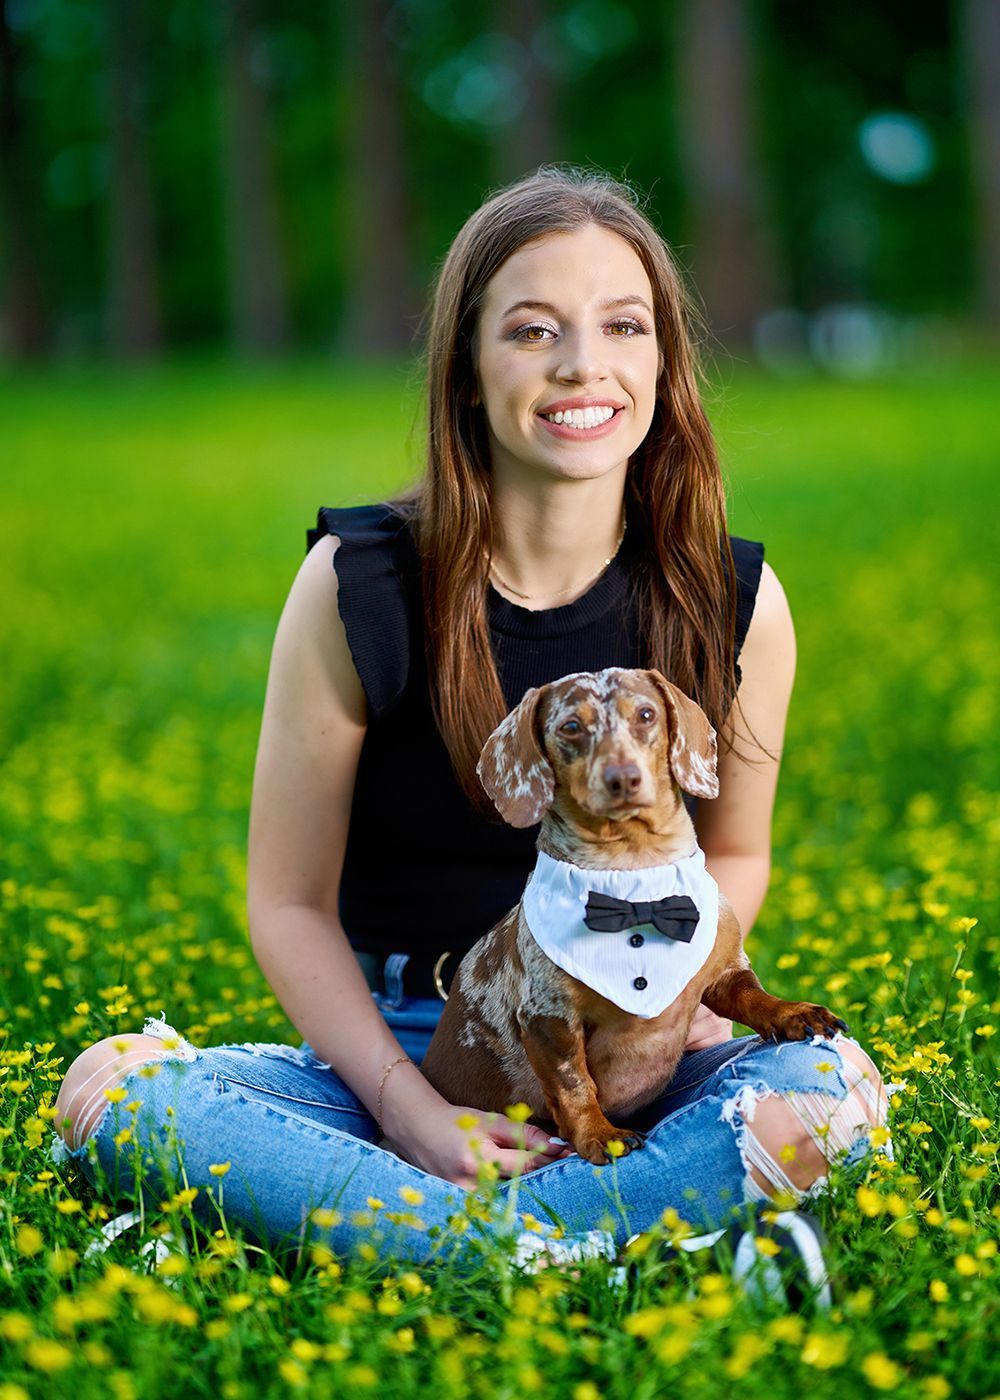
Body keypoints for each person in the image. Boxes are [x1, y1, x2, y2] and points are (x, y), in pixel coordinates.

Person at [52, 166, 896, 1270]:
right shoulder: (358, 584)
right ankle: (593, 1232)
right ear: (465, 371)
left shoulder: (732, 600)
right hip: (404, 1047)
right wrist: (409, 1110)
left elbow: (733, 850)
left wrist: (670, 987)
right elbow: (288, 901)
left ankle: (449, 1240)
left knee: (830, 1090)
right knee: (111, 1089)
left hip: (635, 1043)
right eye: (532, 329)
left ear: (662, 362)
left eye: (622, 326)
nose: (582, 364)